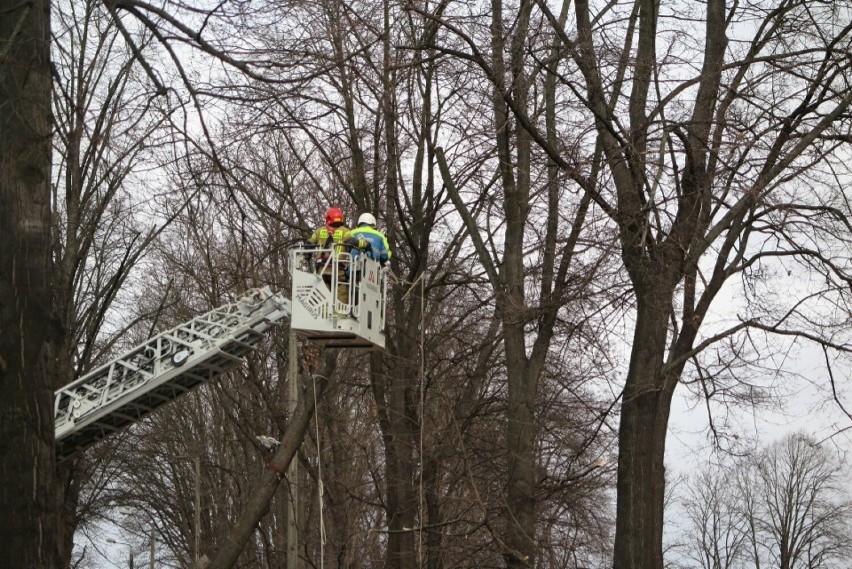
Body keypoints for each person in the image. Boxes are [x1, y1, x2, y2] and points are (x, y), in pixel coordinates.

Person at [307, 206, 364, 312]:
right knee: (341, 295)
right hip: (338, 271)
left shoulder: (320, 231)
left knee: (322, 296)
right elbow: (353, 241)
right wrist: (365, 244)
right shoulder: (345, 231)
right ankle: (340, 315)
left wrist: (307, 254)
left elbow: (309, 243)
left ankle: (321, 316)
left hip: (322, 271)